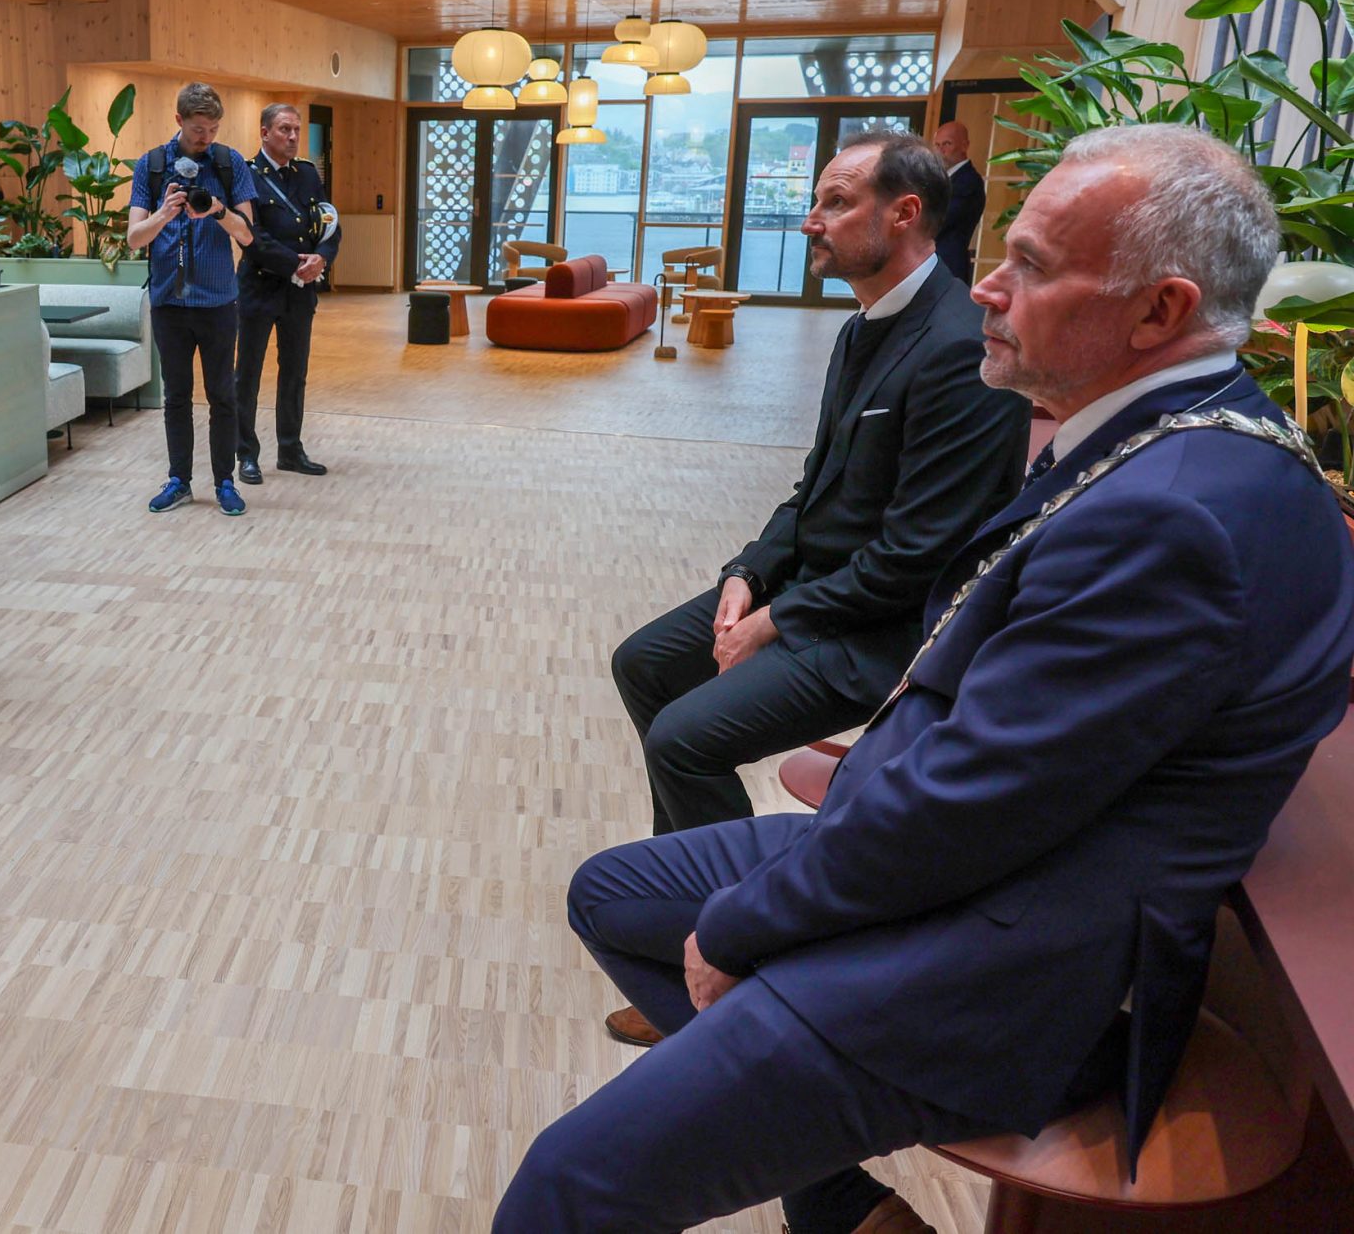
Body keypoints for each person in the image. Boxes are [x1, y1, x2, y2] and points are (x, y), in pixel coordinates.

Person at [494, 124, 1354, 1234]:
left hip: (995, 960)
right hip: (944, 857)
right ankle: (839, 1202)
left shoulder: (1177, 514)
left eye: (1029, 265)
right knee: (612, 896)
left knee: (565, 1186)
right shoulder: (1172, 439)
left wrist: (746, 930)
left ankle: (789, 1104)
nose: (985, 287)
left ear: (1158, 312)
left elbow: (967, 808)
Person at [605, 131, 1028, 1046]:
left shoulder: (958, 347)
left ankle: (736, 953)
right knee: (645, 664)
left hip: (892, 630)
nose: (810, 221)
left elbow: (920, 557)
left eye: (836, 201)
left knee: (684, 741)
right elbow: (814, 488)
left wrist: (777, 620)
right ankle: (682, 914)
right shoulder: (863, 324)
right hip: (818, 585)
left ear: (903, 214)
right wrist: (748, 573)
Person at [127, 82, 260, 516]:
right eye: (199, 129)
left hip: (218, 301)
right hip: (169, 301)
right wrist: (164, 214)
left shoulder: (229, 162)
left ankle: (225, 482)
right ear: (179, 120)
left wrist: (218, 210)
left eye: (213, 129)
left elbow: (247, 235)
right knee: (176, 396)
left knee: (223, 395)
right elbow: (134, 239)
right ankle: (179, 480)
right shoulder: (152, 165)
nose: (206, 137)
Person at [234, 103, 337, 483]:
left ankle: (290, 449)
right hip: (260, 286)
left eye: (296, 129)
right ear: (264, 132)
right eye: (284, 129)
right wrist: (296, 263)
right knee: (248, 374)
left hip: (299, 292)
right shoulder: (247, 175)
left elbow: (329, 221)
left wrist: (322, 258)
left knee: (295, 373)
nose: (293, 137)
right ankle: (246, 453)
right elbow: (251, 236)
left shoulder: (306, 174)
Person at [933, 120, 986, 283]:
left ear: (964, 146)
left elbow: (938, 220)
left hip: (948, 265)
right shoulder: (944, 179)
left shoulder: (968, 181)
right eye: (937, 145)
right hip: (935, 263)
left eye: (947, 144)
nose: (941, 150)